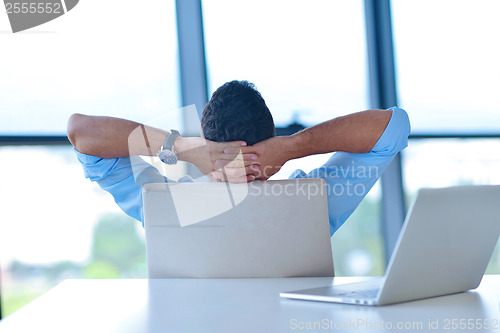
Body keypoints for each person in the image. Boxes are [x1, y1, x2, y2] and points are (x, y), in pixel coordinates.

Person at [67, 80, 410, 236]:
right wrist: (291, 146)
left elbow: (81, 133)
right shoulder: (316, 199)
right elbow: (393, 127)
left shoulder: (165, 206)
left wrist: (184, 148)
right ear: (270, 139)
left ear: (207, 144)